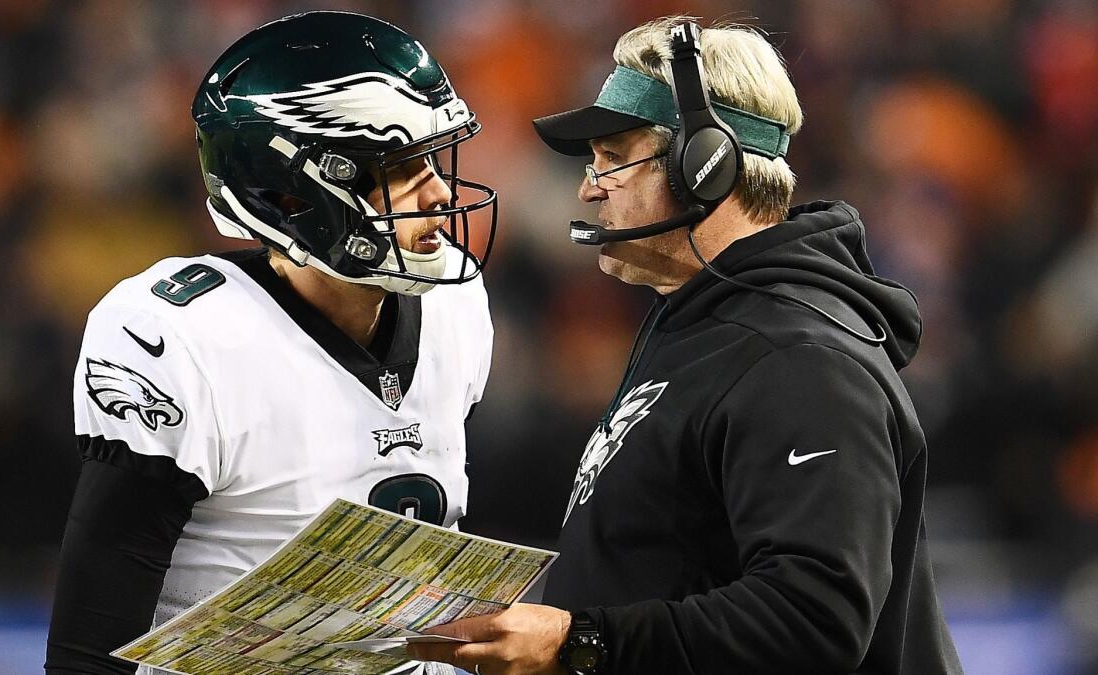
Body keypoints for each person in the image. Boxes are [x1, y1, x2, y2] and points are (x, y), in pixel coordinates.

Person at [408, 16, 963, 675]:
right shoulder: (702, 326)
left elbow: (814, 619)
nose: (588, 186)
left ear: (705, 163)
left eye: (614, 157)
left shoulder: (801, 357)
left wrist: (576, 641)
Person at [45, 11, 496, 674]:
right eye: (401, 168)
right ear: (293, 197)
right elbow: (91, 645)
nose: (439, 192)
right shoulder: (188, 335)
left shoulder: (455, 305)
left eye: (432, 159)